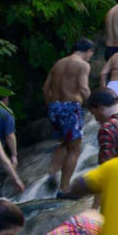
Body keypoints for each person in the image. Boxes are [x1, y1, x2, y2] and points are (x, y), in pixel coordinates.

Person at [42, 39, 94, 192]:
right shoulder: (83, 65)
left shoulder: (58, 64)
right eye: (91, 53)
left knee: (65, 142)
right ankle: (64, 188)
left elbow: (45, 89)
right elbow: (83, 88)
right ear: (89, 51)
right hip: (71, 107)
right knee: (75, 148)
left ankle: (52, 172)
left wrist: (51, 106)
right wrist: (93, 105)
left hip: (55, 107)